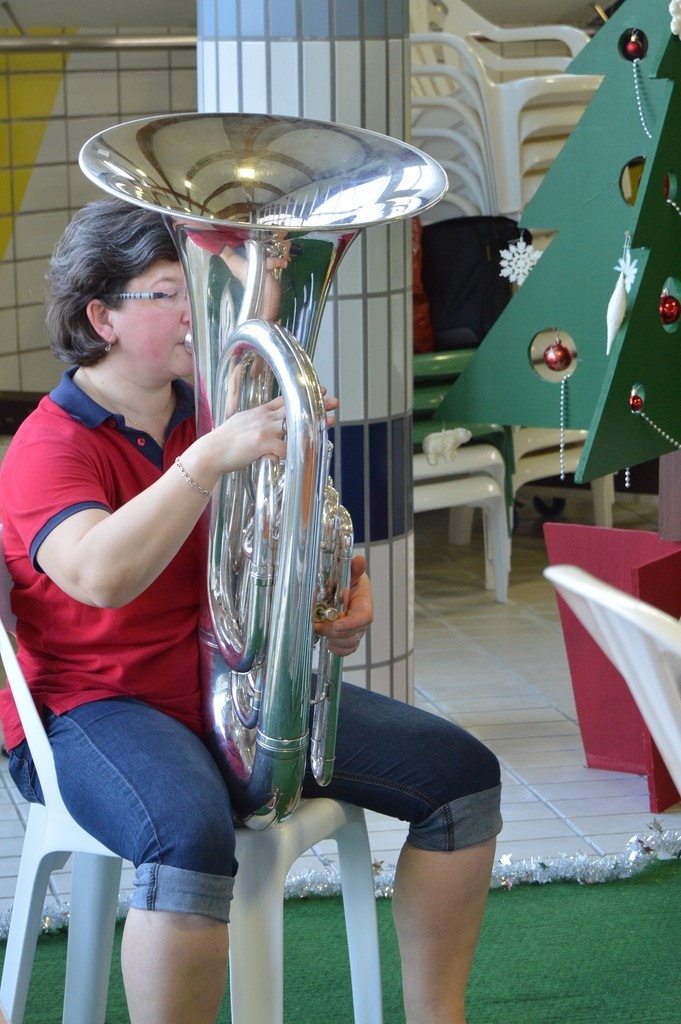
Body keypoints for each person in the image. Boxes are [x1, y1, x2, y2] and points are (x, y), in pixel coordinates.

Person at [0, 198, 502, 1024]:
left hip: (222, 686)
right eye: (172, 292)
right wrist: (209, 456)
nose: (205, 313)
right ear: (103, 318)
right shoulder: (52, 444)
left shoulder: (211, 412)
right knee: (188, 839)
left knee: (460, 781)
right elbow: (99, 576)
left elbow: (284, 543)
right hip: (93, 707)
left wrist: (339, 599)